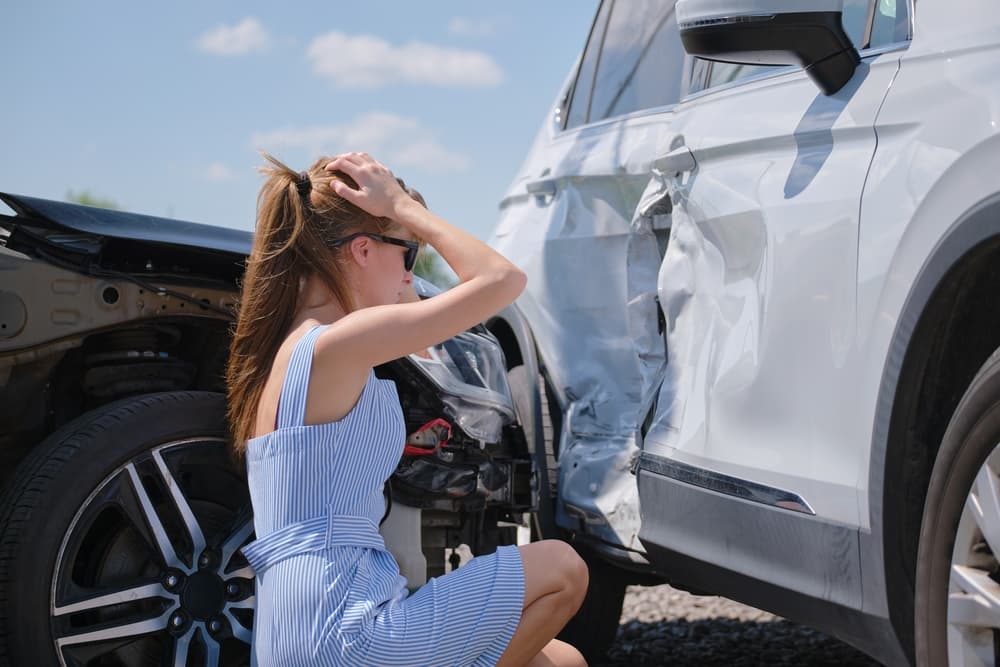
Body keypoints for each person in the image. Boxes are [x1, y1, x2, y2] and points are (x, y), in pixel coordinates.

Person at [226, 151, 589, 666]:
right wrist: (401, 208)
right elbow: (501, 281)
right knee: (562, 567)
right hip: (344, 630)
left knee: (558, 662)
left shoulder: (290, 352)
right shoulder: (339, 342)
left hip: (301, 629)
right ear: (362, 251)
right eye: (407, 255)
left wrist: (400, 223)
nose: (410, 277)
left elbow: (425, 310)